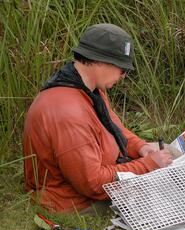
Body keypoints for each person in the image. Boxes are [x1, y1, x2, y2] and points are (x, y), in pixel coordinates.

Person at [23, 23, 173, 213]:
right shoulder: (67, 112)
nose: (124, 76)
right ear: (101, 62)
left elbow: (114, 129)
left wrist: (141, 147)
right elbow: (92, 184)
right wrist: (148, 165)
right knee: (165, 185)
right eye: (122, 69)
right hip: (73, 200)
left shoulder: (89, 88)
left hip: (102, 167)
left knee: (170, 152)